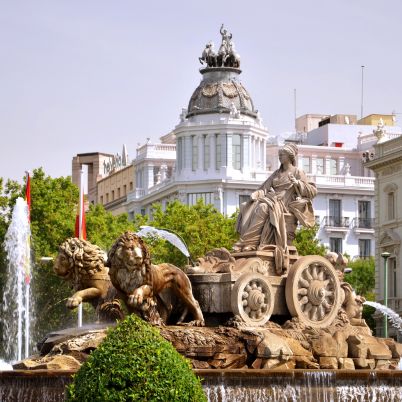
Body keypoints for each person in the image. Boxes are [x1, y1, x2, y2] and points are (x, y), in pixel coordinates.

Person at [234, 143, 317, 252]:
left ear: (290, 156)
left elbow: (312, 191)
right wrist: (256, 194)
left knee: (263, 207)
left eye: (282, 154)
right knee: (247, 206)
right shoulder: (276, 173)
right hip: (272, 199)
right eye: (279, 154)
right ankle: (249, 243)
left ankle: (248, 242)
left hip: (284, 204)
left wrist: (297, 183)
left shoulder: (297, 172)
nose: (280, 157)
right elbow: (265, 188)